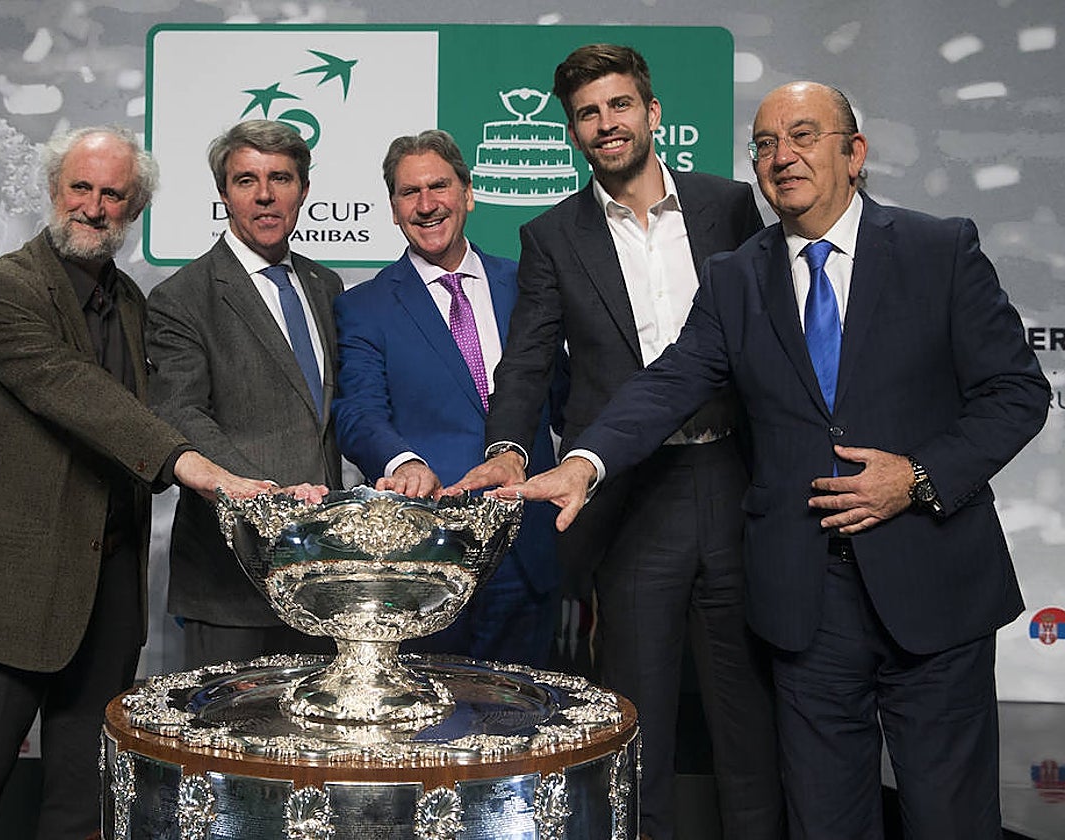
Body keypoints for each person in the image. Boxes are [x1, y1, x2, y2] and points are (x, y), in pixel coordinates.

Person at [491, 81, 1050, 839]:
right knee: (823, 821)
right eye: (763, 144)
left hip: (934, 587)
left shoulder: (937, 248)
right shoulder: (737, 276)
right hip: (805, 601)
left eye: (803, 136)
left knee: (949, 819)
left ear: (855, 153)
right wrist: (586, 461)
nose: (781, 158)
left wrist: (917, 477)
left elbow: (1016, 393)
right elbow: (671, 382)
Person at [450, 44, 781, 839]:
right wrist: (509, 448)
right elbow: (526, 364)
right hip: (628, 500)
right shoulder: (551, 236)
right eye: (588, 114)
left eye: (619, 105)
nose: (607, 124)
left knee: (749, 718)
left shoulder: (730, 205)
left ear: (653, 112)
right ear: (573, 132)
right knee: (637, 725)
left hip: (733, 479)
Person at [0, 126, 279, 840]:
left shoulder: (132, 305)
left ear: (133, 208)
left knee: (86, 807)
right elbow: (79, 393)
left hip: (106, 597)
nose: (94, 205)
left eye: (113, 194)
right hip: (4, 600)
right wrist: (199, 468)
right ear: (54, 193)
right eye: (80, 188)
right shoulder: (5, 290)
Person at [333, 130, 559, 667]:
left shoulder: (529, 283)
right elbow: (357, 410)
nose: (427, 204)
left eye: (439, 186)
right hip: (425, 555)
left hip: (529, 548)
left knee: (526, 729)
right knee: (427, 735)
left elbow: (573, 390)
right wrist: (402, 460)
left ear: (469, 193)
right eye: (409, 193)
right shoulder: (365, 306)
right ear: (392, 209)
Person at [147, 120, 343, 669]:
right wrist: (264, 500)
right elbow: (182, 413)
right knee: (225, 746)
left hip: (320, 576)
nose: (264, 194)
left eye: (280, 177)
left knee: (314, 747)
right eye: (246, 179)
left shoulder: (325, 285)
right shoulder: (181, 297)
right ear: (223, 192)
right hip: (230, 574)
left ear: (303, 190)